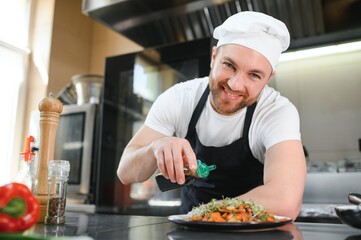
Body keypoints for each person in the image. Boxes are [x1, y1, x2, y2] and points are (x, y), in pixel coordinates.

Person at [117, 11, 306, 220]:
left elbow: (286, 200)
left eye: (254, 75)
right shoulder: (180, 99)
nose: (234, 85)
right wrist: (155, 147)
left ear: (268, 78)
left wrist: (207, 214)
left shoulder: (276, 112)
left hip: (253, 233)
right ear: (214, 57)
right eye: (229, 65)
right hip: (190, 231)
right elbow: (126, 172)